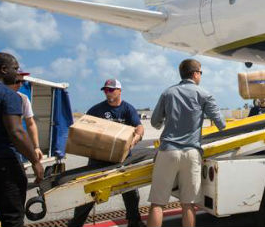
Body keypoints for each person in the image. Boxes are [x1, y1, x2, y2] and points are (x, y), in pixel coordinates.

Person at [148, 59, 226, 227]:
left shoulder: (168, 93)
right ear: (195, 73)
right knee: (188, 204)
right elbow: (221, 124)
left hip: (168, 151)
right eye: (201, 73)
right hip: (191, 153)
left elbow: (155, 122)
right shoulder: (204, 94)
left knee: (157, 204)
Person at [0, 52, 44, 227]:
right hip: (4, 166)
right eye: (15, 68)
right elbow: (16, 132)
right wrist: (35, 161)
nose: (17, 72)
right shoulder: (9, 95)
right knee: (12, 217)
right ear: (3, 69)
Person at [67, 79, 145, 227]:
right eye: (105, 90)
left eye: (111, 89)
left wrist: (136, 137)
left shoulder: (128, 109)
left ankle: (134, 221)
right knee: (89, 192)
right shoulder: (96, 110)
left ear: (119, 91)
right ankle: (76, 223)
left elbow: (139, 127)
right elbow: (84, 128)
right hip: (98, 159)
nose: (107, 92)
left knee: (130, 190)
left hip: (122, 158)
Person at [9, 70, 44, 161]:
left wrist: (36, 147)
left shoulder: (23, 99)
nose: (20, 85)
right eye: (17, 81)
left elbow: (30, 123)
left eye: (22, 82)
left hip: (14, 146)